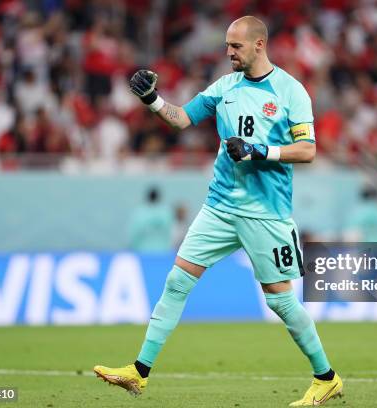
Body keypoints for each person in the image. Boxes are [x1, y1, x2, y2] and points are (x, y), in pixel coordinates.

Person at [94, 16, 343, 406]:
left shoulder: (291, 91)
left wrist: (262, 151)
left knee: (279, 299)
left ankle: (325, 377)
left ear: (259, 45)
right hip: (220, 207)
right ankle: (139, 372)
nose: (228, 52)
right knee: (177, 281)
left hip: (266, 213)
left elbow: (308, 149)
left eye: (236, 46)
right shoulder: (223, 88)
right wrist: (152, 100)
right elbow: (182, 118)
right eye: (227, 45)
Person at [127, 187, 175, 252]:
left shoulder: (140, 213)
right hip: (163, 252)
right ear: (159, 198)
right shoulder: (166, 213)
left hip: (143, 252)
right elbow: (172, 233)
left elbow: (133, 234)